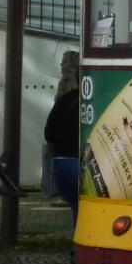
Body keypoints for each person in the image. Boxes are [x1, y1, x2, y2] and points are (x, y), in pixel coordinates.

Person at [44, 52, 80, 225]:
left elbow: (49, 133)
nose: (61, 65)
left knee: (76, 208)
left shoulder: (66, 91)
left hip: (62, 160)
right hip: (79, 159)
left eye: (64, 62)